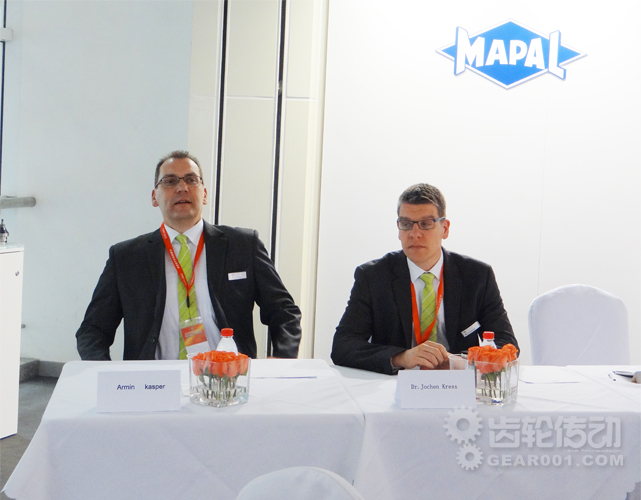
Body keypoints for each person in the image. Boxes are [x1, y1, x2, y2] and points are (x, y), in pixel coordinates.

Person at [76, 151, 301, 360]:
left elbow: (284, 311)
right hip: (155, 381)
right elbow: (93, 330)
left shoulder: (243, 245)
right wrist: (105, 374)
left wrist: (281, 359)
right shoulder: (126, 258)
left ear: (204, 194)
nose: (182, 187)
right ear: (154, 197)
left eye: (191, 180)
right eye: (170, 181)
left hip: (227, 379)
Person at [331, 183, 518, 375]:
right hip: (396, 382)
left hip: (456, 381)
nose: (414, 234)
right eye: (406, 224)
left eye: (426, 224)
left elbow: (507, 346)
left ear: (445, 228)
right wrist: (401, 357)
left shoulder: (477, 276)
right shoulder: (373, 276)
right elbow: (343, 346)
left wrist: (457, 362)